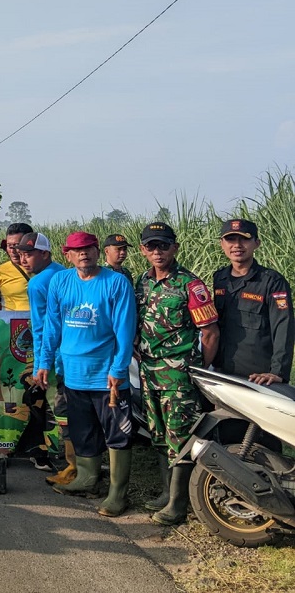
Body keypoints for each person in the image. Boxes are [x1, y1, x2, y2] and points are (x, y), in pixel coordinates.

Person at [37, 231, 136, 517]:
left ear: (98, 251)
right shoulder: (60, 281)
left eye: (89, 249)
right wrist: (44, 363)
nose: (84, 254)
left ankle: (118, 492)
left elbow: (124, 329)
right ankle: (87, 479)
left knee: (117, 434)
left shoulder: (116, 283)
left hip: (106, 376)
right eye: (77, 250)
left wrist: (118, 369)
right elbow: (52, 326)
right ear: (67, 254)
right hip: (72, 374)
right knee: (82, 430)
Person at [135, 221, 220, 526]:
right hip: (149, 373)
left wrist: (197, 369)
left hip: (179, 375)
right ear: (144, 250)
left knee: (180, 437)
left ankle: (178, 505)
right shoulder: (142, 282)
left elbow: (209, 332)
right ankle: (166, 493)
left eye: (163, 245)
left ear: (175, 248)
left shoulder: (189, 284)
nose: (157, 252)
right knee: (158, 434)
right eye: (151, 246)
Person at [212, 218, 294, 394]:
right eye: (231, 239)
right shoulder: (219, 279)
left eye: (244, 239)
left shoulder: (272, 282)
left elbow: (283, 327)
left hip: (257, 378)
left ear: (256, 243)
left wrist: (277, 372)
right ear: (222, 244)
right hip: (222, 374)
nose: (237, 245)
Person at [12, 232, 62, 473]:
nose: (23, 259)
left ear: (45, 254)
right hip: (73, 355)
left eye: (29, 254)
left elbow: (41, 328)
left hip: (53, 358)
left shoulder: (37, 283)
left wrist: (41, 365)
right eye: (21, 254)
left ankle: (58, 459)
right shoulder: (65, 273)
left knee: (54, 410)